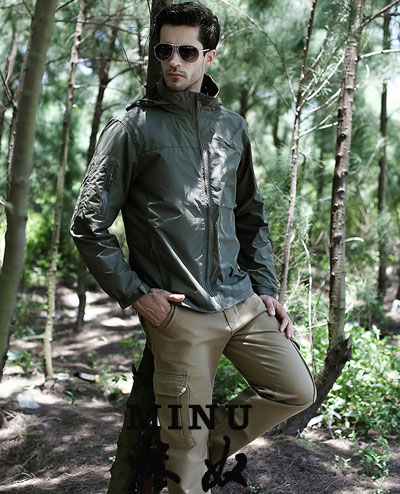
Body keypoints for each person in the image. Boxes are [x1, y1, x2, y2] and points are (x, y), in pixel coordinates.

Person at [70, 2, 316, 493]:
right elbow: (88, 224)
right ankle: (184, 456)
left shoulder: (232, 128)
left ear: (210, 56)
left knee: (296, 390)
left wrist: (266, 288)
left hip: (241, 302)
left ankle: (192, 451)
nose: (173, 61)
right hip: (180, 314)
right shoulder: (132, 128)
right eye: (164, 51)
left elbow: (250, 217)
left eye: (186, 51)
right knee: (185, 461)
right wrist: (138, 295)